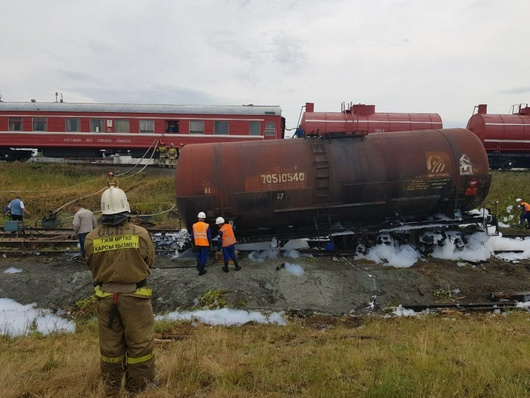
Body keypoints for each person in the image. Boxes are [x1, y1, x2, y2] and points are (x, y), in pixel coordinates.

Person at [84, 187, 156, 394]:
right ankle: (139, 387)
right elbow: (149, 261)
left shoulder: (91, 237)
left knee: (110, 348)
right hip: (135, 297)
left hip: (106, 297)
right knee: (140, 345)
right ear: (126, 209)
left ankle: (111, 387)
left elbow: (90, 263)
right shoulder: (140, 234)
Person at [189, 212, 211, 276]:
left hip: (197, 244)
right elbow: (209, 236)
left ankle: (198, 267)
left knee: (199, 255)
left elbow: (192, 236)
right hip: (205, 244)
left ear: (198, 218)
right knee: (204, 257)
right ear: (204, 219)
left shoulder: (194, 225)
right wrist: (210, 243)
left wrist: (193, 242)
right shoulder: (206, 225)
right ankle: (201, 270)